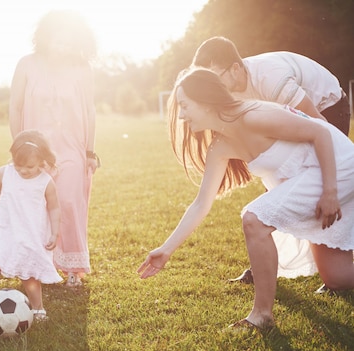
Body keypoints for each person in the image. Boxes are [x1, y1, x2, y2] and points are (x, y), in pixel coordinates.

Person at [137, 68, 354, 330]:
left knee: (254, 219)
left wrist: (329, 190)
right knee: (337, 278)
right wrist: (166, 249)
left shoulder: (254, 116)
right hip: (310, 179)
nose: (181, 115)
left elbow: (320, 133)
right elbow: (201, 203)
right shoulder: (220, 146)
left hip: (337, 169)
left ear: (205, 102)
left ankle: (262, 315)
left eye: (185, 106)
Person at [192, 36, 351, 289]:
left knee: (323, 187)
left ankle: (336, 263)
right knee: (275, 197)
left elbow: (320, 126)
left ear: (235, 68)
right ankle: (266, 266)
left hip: (326, 108)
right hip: (298, 121)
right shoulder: (230, 92)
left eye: (215, 75)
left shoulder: (269, 79)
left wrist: (331, 186)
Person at [9, 10, 98, 288]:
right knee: (36, 207)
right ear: (45, 37)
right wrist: (18, 146)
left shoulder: (83, 69)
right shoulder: (26, 64)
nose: (63, 46)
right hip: (35, 150)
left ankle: (73, 268)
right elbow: (15, 106)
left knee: (70, 203)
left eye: (69, 42)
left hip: (72, 147)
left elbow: (90, 109)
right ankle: (38, 265)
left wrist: (90, 151)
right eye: (58, 40)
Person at [0, 130, 62, 321]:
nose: (22, 170)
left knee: (29, 272)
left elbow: (54, 208)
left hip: (30, 231)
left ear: (41, 161)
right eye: (18, 164)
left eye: (29, 166)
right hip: (5, 226)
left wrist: (54, 233)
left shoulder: (45, 182)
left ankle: (38, 309)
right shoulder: (5, 172)